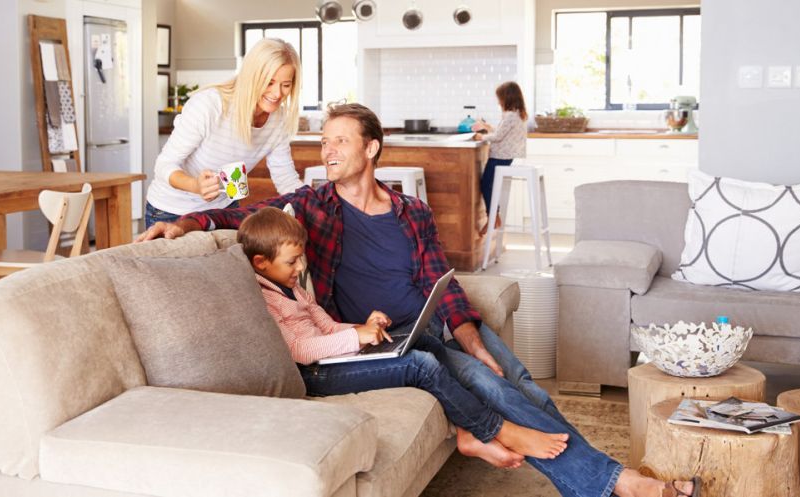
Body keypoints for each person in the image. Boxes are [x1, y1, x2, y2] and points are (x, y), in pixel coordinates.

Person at [136, 103, 701, 497]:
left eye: (338, 140)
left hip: (425, 324)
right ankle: (623, 483)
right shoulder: (313, 205)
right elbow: (246, 215)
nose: (325, 149)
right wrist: (186, 221)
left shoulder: (412, 213)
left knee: (517, 380)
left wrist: (473, 339)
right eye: (324, 139)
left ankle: (608, 482)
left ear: (371, 148)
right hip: (381, 338)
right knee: (490, 388)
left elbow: (443, 284)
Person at [237, 207, 570, 468]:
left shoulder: (291, 287)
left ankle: (466, 431)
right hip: (315, 374)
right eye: (292, 261)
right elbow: (298, 350)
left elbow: (325, 327)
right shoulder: (265, 298)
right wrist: (357, 339)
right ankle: (492, 430)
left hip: (333, 358)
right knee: (420, 366)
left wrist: (361, 328)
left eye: (301, 259)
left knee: (421, 339)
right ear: (261, 263)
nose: (299, 268)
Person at [144, 38, 306, 228]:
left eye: (285, 85)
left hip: (225, 210)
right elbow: (164, 165)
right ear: (252, 77)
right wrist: (195, 186)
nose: (277, 93)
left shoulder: (279, 119)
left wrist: (314, 201)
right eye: (269, 83)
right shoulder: (209, 105)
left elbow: (285, 177)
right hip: (172, 212)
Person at [472, 81, 529, 235]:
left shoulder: (510, 115)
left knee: (486, 185)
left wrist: (480, 137)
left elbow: (497, 137)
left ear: (507, 98)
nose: (498, 101)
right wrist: (487, 127)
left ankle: (493, 218)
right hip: (506, 156)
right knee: (490, 185)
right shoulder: (517, 114)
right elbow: (502, 133)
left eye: (500, 98)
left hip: (500, 156)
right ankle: (494, 217)